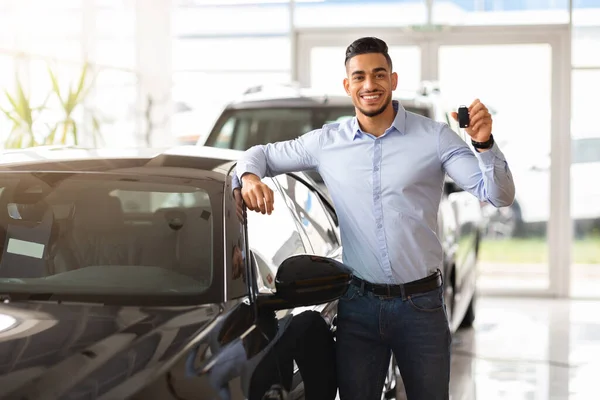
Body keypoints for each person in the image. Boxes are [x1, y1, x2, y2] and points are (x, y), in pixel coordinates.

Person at [233, 36, 515, 400]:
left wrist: (484, 144)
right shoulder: (326, 143)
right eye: (360, 76)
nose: (370, 85)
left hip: (421, 307)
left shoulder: (435, 138)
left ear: (393, 80)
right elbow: (259, 154)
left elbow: (498, 194)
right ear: (347, 85)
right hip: (359, 307)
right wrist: (250, 178)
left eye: (379, 74)